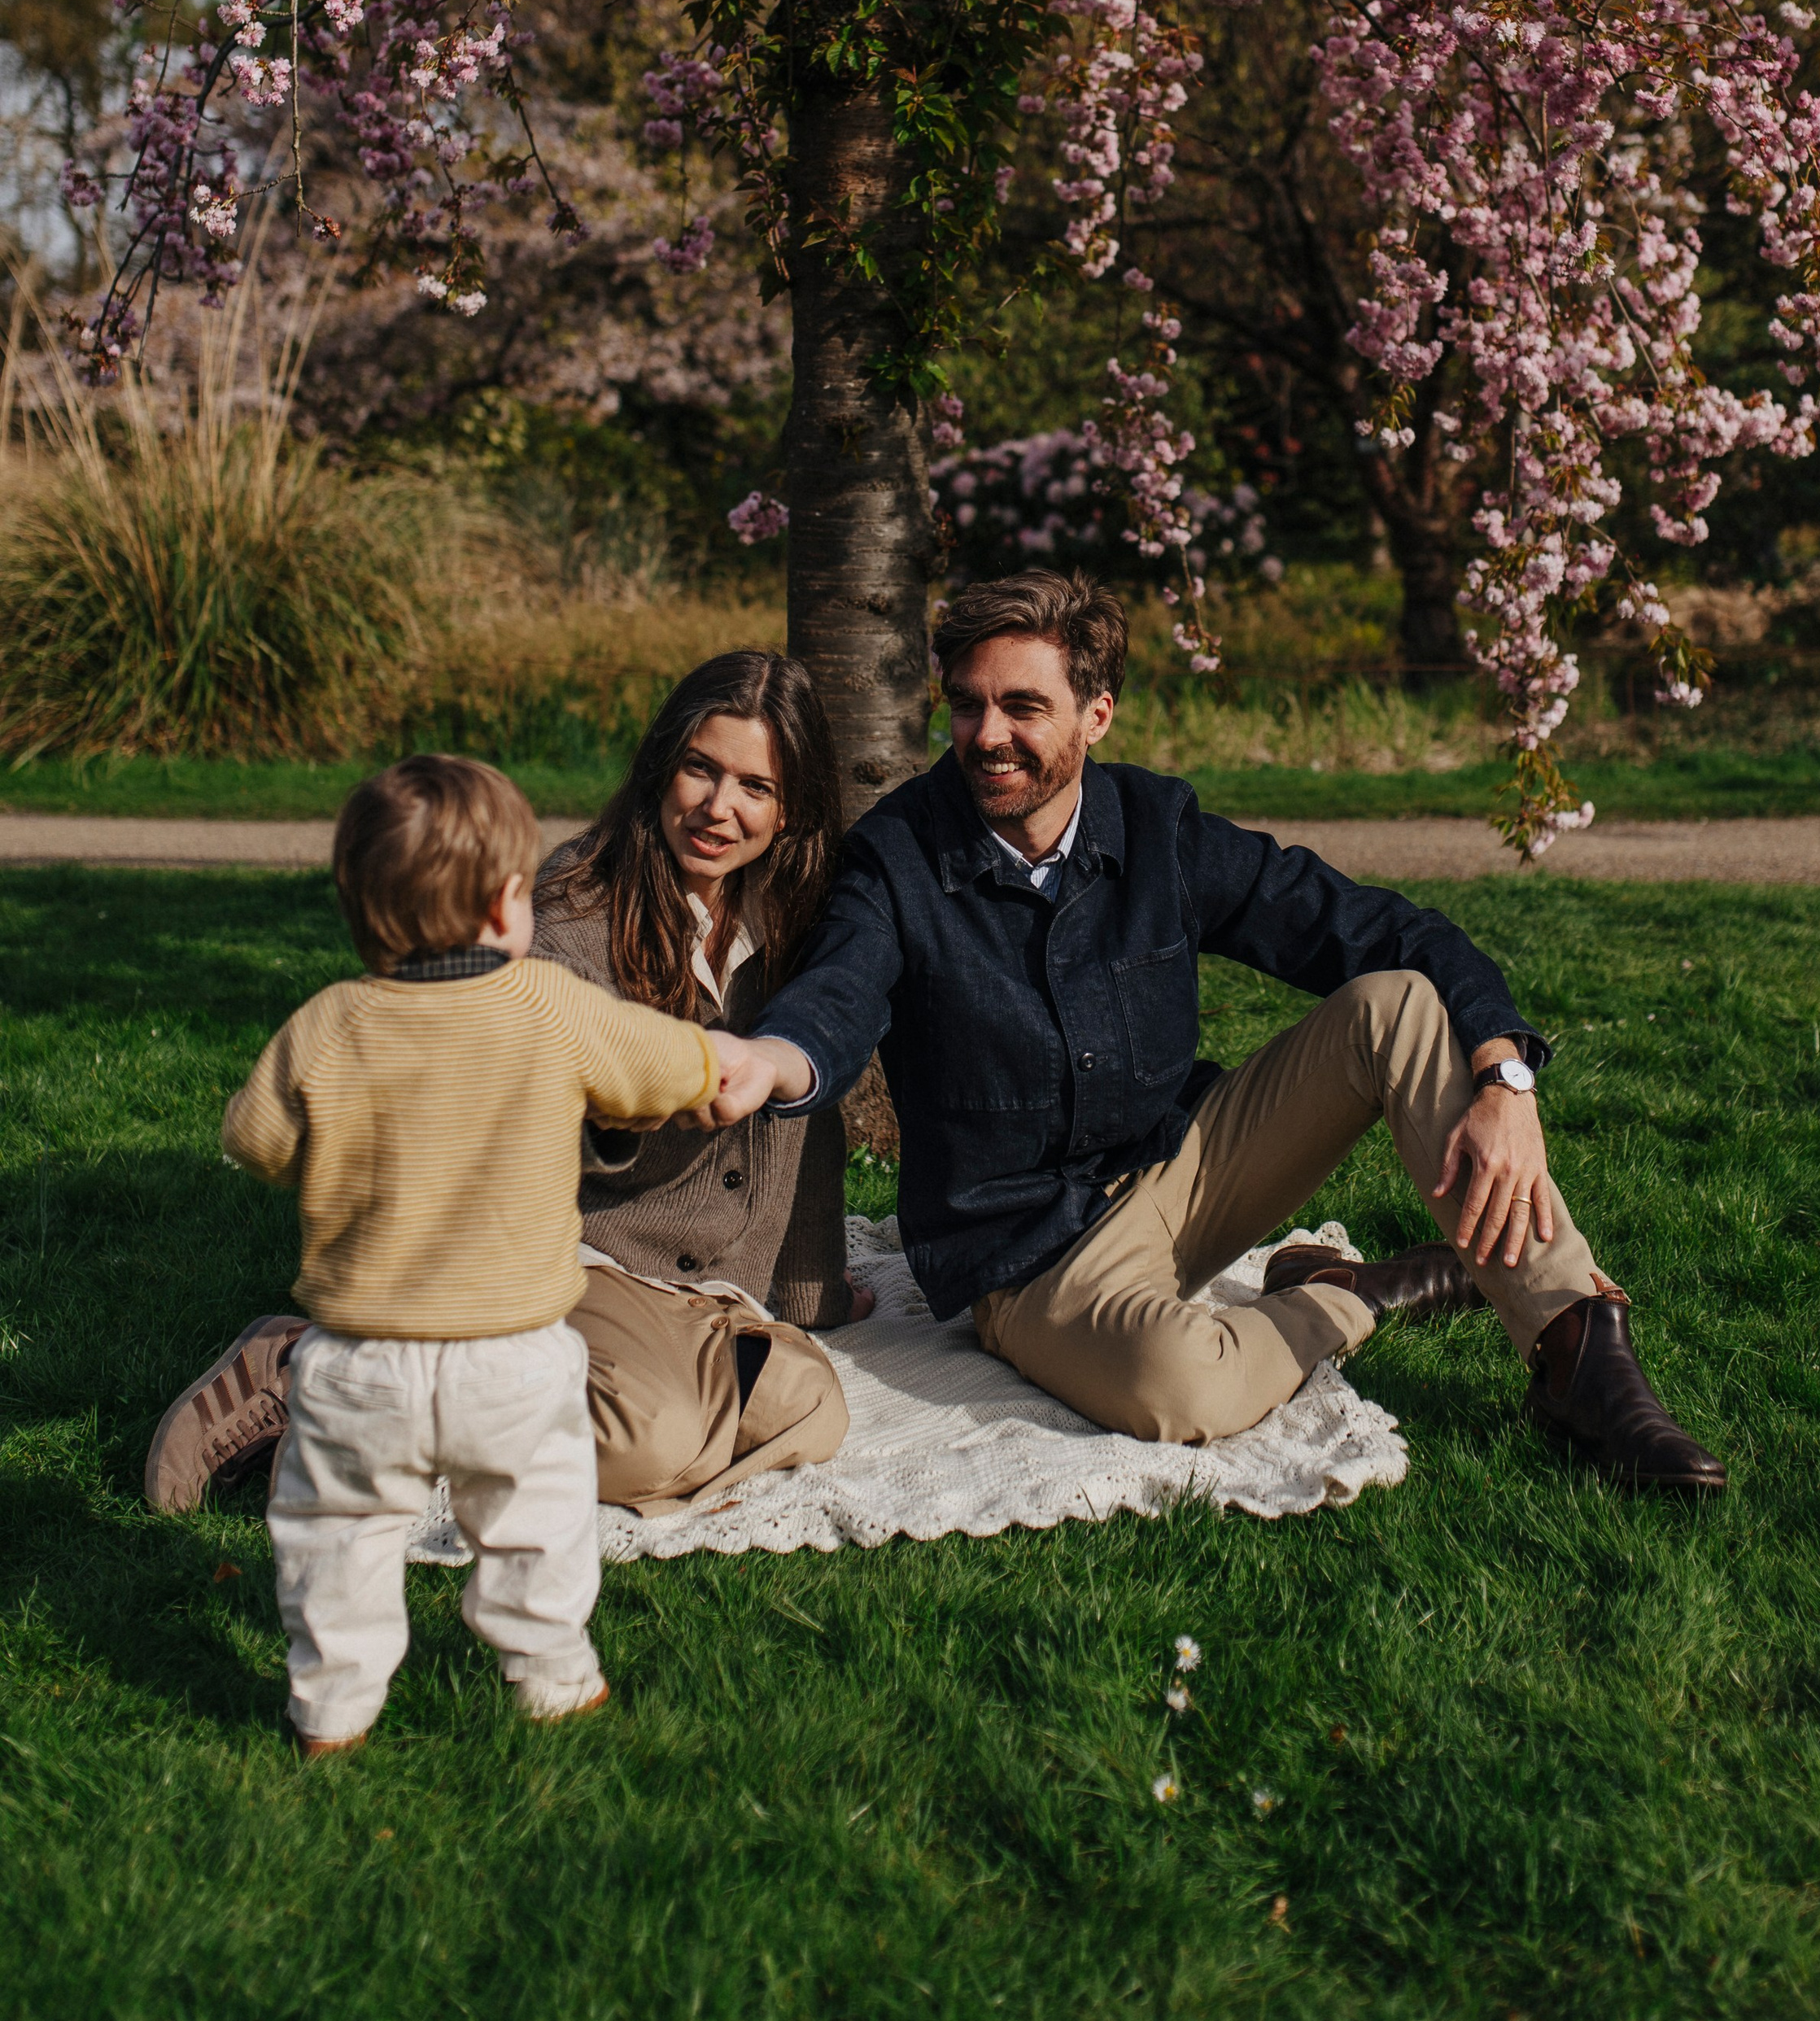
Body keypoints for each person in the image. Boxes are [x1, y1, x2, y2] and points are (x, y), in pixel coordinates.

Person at [714, 568, 1725, 1495]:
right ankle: (1362, 1294)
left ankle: (1578, 1351)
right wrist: (778, 1056)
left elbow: (1383, 929)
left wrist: (1506, 1079)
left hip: (1185, 1167)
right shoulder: (894, 856)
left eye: (1024, 706)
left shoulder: (1158, 826)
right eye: (969, 702)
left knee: (1400, 1004)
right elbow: (841, 988)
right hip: (1028, 1250)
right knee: (1182, 1390)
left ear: (1095, 713)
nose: (987, 734)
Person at [146, 653, 859, 1518]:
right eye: (700, 768)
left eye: (756, 785)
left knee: (811, 1409)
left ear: (790, 811)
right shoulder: (564, 910)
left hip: (714, 1291)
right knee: (650, 1440)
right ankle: (311, 1367)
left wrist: (812, 1282)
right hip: (584, 1253)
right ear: (660, 766)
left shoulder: (797, 910)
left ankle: (508, 1408)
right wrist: (650, 1084)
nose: (719, 807)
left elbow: (808, 1122)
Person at [223, 753, 744, 1755]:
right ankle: (552, 1673)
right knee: (537, 1514)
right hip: (514, 1351)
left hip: (359, 1358)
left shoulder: (329, 1024)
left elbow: (258, 1140)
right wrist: (708, 1068)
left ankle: (331, 1707)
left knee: (338, 1532)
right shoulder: (548, 1005)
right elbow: (667, 1061)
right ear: (510, 902)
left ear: (363, 908)